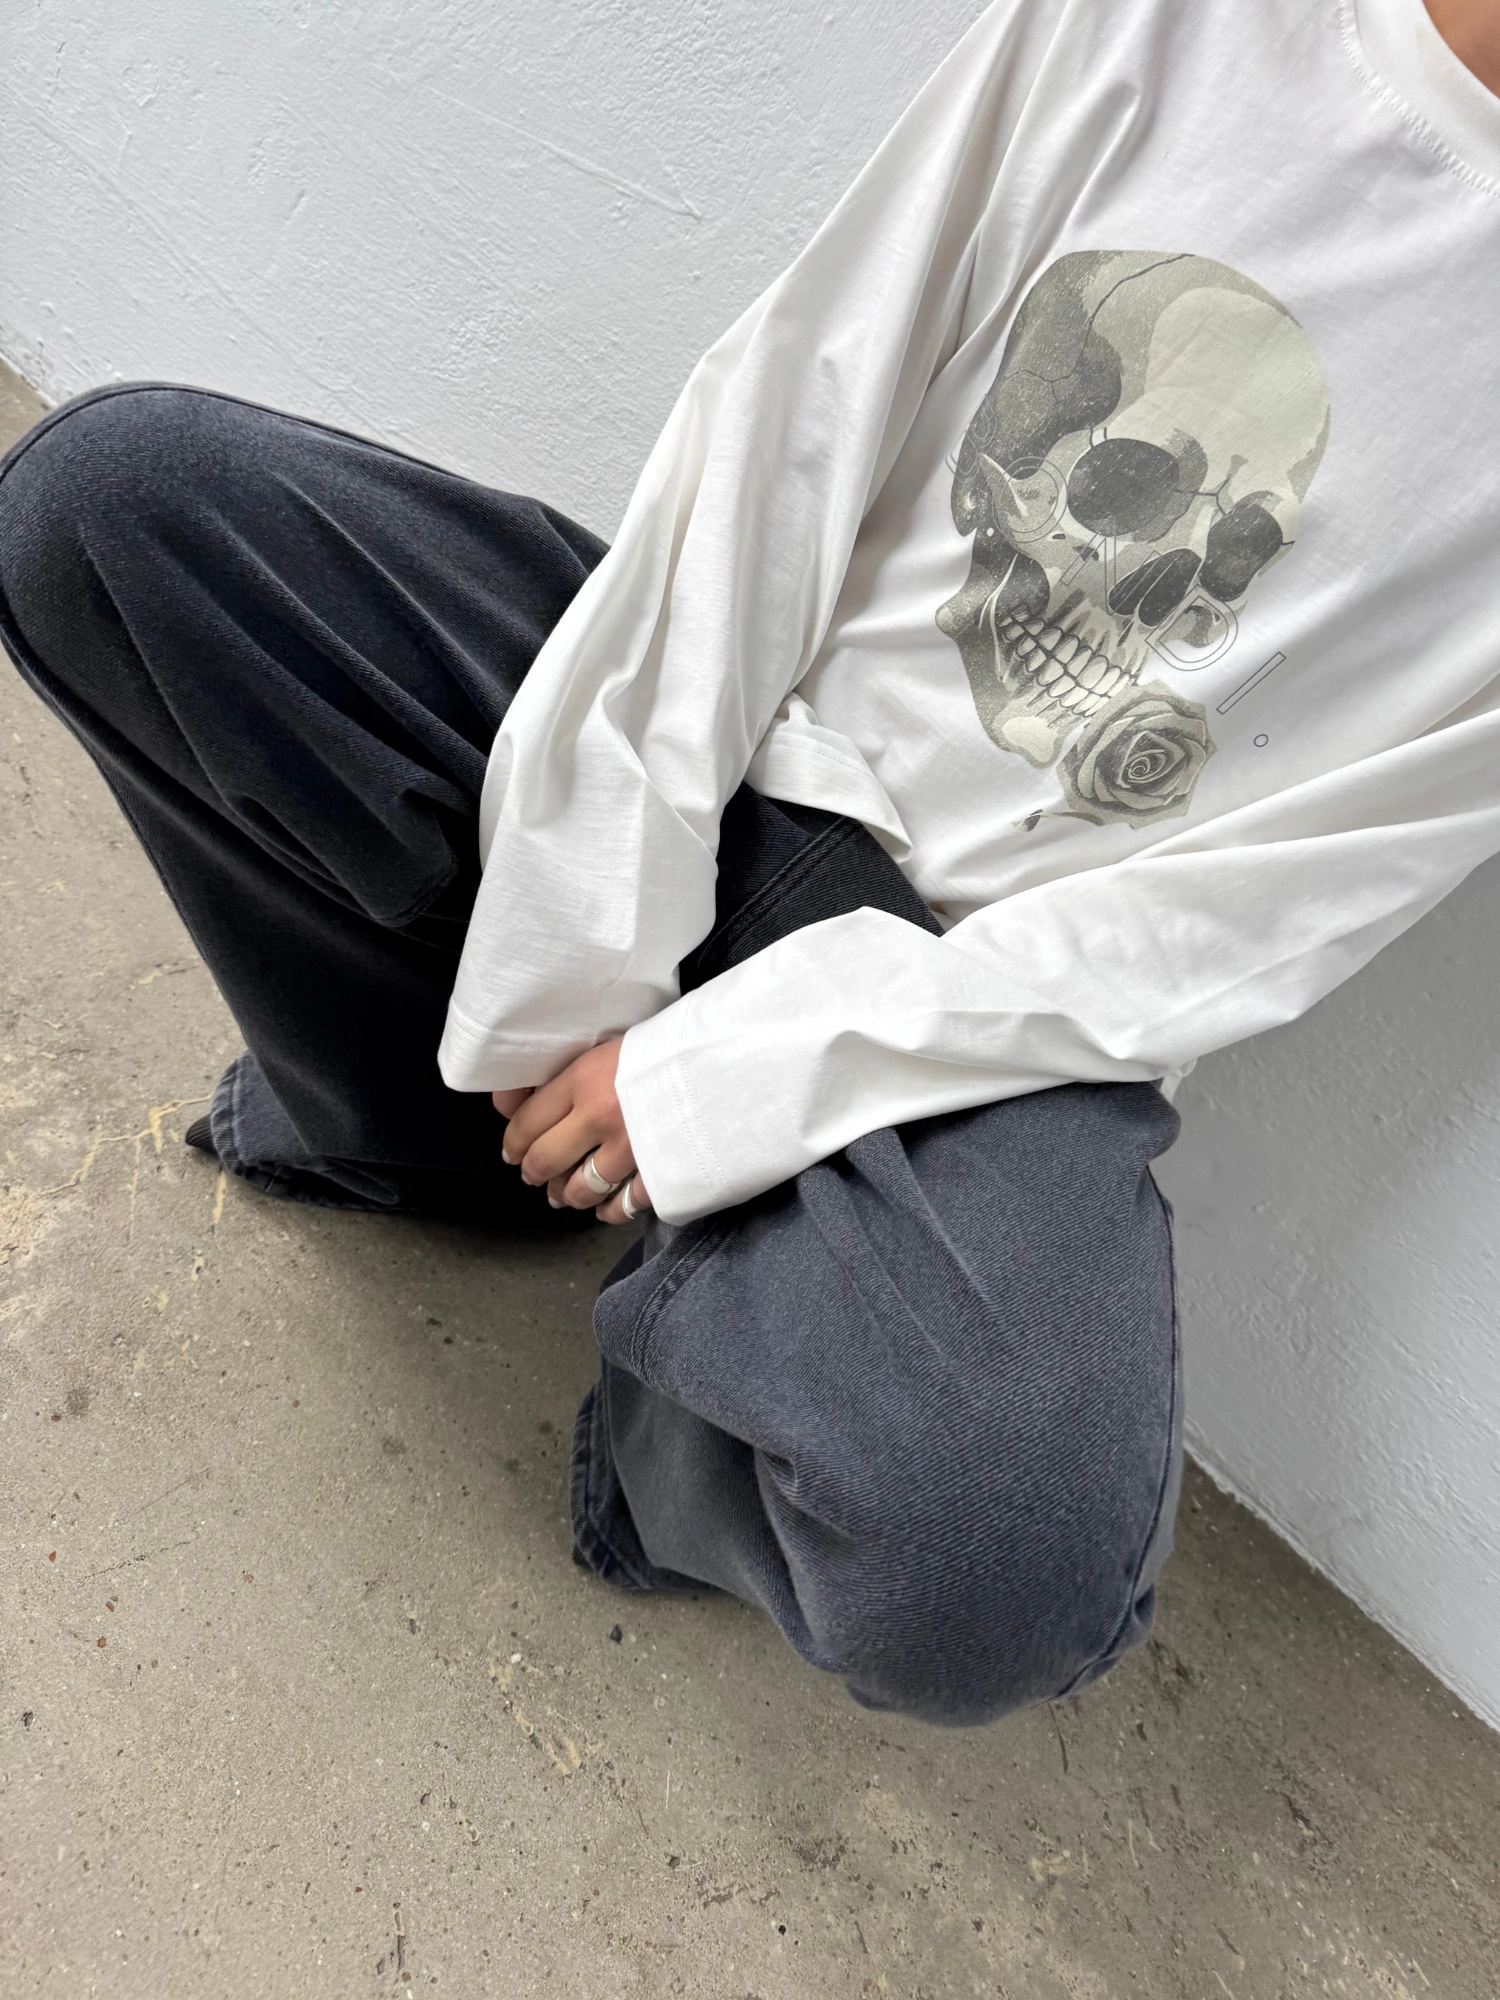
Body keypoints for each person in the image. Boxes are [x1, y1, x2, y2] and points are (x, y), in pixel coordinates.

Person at [4, 0, 1500, 1727]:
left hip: (998, 1007)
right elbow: (792, 421)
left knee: (1006, 1561)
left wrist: (734, 1075)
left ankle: (663, 1456)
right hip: (751, 737)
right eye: (1126, 487)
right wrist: (589, 935)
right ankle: (431, 1127)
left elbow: (1270, 905)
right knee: (107, 507)